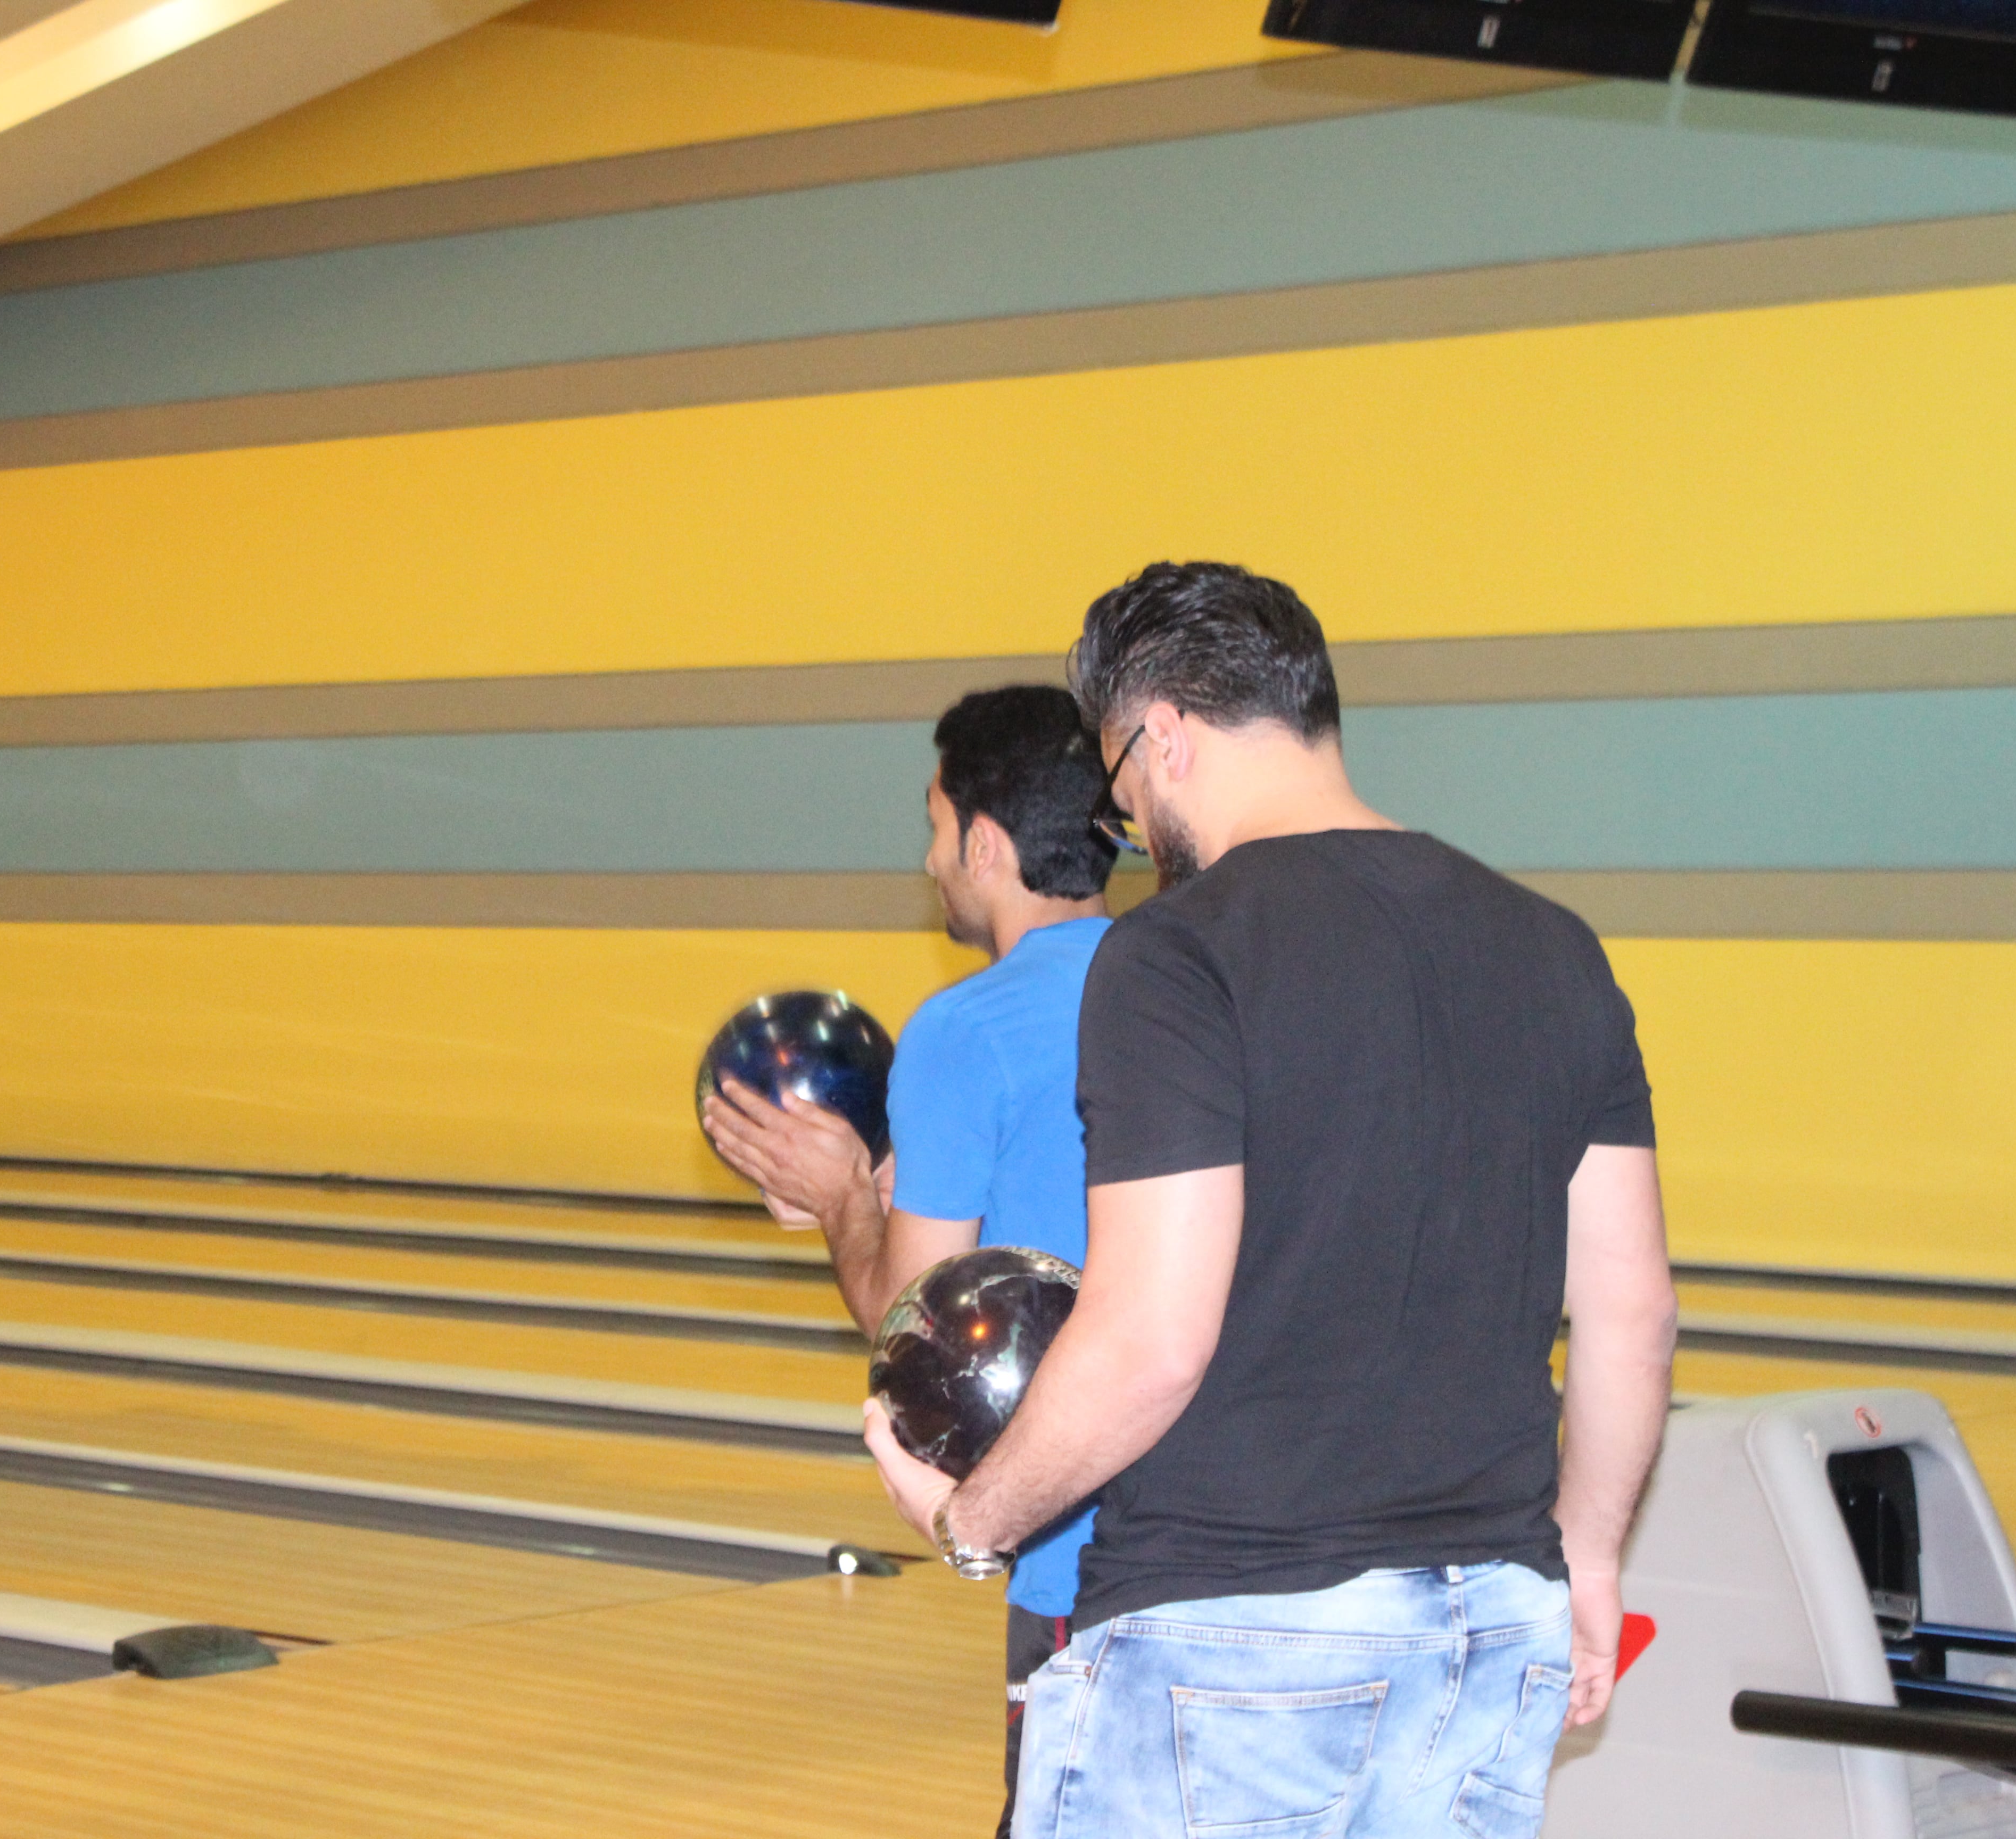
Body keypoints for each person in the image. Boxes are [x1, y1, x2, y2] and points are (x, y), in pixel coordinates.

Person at [861, 563, 1679, 1839]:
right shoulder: (1552, 944)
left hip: (1232, 1637)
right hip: (1489, 1632)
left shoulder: (1176, 957)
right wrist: (1586, 1559)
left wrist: (976, 1521)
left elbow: (1151, 1341)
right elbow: (1633, 1316)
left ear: (1164, 736)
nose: (1132, 827)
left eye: (1122, 788)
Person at [701, 684, 1119, 1837]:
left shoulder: (966, 1027)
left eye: (936, 828)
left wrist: (845, 1204)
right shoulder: (1190, 977)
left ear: (985, 844)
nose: (930, 860)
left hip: (1084, 1564)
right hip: (1243, 1543)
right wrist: (888, 1190)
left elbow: (914, 1322)